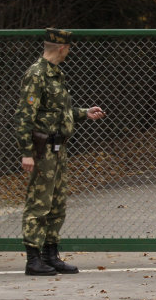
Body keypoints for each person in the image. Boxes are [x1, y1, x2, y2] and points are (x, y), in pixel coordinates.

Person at [13, 28, 106, 276]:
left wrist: (84, 113)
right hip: (42, 150)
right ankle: (33, 259)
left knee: (57, 204)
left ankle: (50, 255)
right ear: (62, 48)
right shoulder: (36, 74)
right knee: (39, 204)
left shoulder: (56, 74)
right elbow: (25, 116)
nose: (69, 52)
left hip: (58, 147)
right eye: (69, 48)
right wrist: (27, 152)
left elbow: (56, 111)